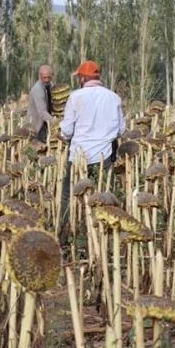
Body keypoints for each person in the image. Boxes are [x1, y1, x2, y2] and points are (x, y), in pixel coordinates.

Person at [58, 60, 125, 247]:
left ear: (82, 78)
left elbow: (67, 131)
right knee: (105, 194)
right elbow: (121, 130)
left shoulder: (75, 97)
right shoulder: (114, 98)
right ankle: (106, 237)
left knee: (68, 195)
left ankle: (66, 233)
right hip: (105, 156)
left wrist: (61, 134)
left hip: (79, 156)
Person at [27, 64, 54, 141]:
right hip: (37, 126)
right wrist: (56, 122)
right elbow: (42, 112)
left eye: (49, 77)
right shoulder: (37, 90)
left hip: (46, 124)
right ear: (40, 76)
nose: (47, 80)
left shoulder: (51, 85)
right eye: (44, 77)